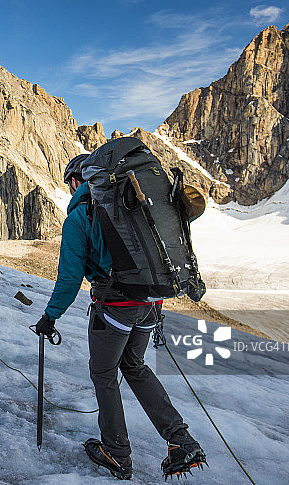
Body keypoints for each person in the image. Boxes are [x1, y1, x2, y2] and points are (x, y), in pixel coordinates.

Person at [33, 153, 205, 480]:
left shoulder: (81, 217)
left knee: (103, 372)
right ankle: (180, 440)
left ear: (77, 180)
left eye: (70, 183)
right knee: (135, 366)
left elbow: (69, 279)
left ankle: (116, 452)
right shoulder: (134, 207)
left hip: (113, 310)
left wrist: (49, 316)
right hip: (150, 304)